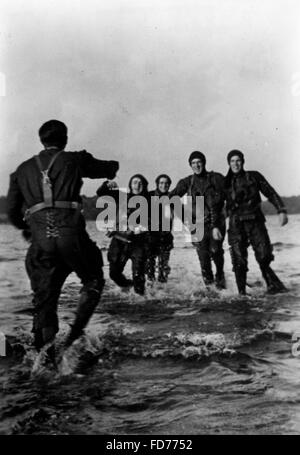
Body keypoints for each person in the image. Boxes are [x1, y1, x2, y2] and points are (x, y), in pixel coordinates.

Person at [6, 120, 119, 361]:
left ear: (41, 141)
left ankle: (44, 355)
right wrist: (112, 168)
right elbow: (109, 168)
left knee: (44, 299)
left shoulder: (21, 170)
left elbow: (13, 214)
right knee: (93, 279)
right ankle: (72, 338)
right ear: (65, 139)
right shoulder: (73, 160)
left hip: (41, 243)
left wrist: (30, 229)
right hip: (72, 238)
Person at [224, 149, 288, 295]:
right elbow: (217, 204)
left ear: (243, 161)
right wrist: (215, 225)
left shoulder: (254, 176)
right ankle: (242, 295)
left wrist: (281, 209)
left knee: (264, 255)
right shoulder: (225, 182)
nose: (235, 164)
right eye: (232, 161)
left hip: (255, 222)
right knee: (239, 262)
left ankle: (271, 283)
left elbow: (270, 192)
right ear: (229, 163)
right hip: (236, 224)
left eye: (238, 160)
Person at [170, 151, 226, 289]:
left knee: (215, 251)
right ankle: (211, 291)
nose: (196, 165)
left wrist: (223, 218)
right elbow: (171, 198)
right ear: (190, 165)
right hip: (197, 226)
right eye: (193, 163)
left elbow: (228, 197)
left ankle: (220, 276)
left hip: (215, 223)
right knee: (204, 259)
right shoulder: (187, 182)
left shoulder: (216, 178)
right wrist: (187, 221)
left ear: (204, 163)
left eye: (199, 162)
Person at [97, 174, 149, 295]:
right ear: (130, 185)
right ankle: (128, 286)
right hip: (119, 241)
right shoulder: (122, 196)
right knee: (114, 274)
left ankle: (142, 300)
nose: (138, 185)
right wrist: (107, 184)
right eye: (135, 182)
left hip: (139, 243)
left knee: (138, 275)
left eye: (141, 183)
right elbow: (101, 192)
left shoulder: (149, 201)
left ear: (145, 186)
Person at [146, 174, 174, 283]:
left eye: (166, 183)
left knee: (164, 268)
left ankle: (162, 291)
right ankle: (151, 289)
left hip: (166, 237)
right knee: (149, 268)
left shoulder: (172, 197)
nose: (164, 185)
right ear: (157, 184)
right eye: (161, 183)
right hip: (150, 237)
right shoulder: (149, 196)